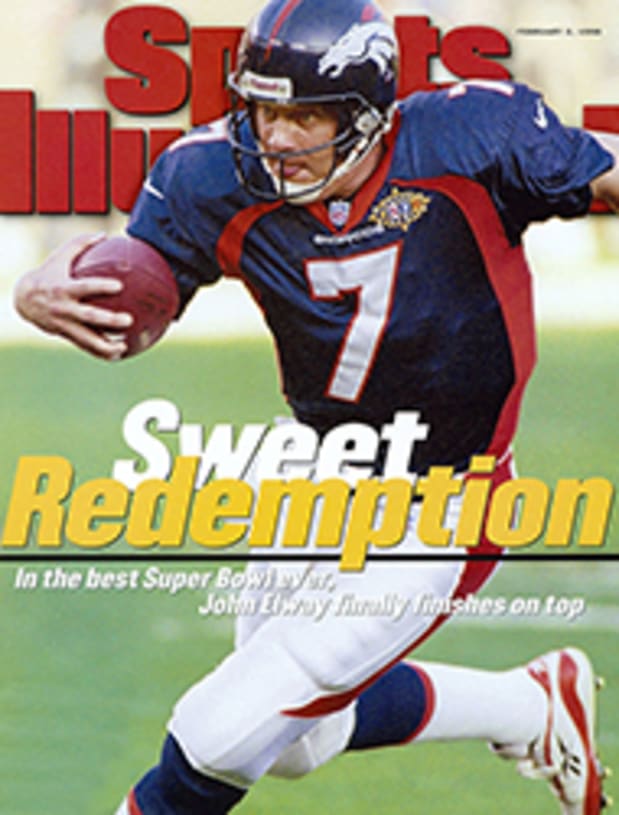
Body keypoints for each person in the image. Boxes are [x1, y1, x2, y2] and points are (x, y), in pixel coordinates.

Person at [14, 0, 618, 812]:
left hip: (446, 501)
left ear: (367, 111)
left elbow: (603, 169)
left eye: (305, 113)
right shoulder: (210, 175)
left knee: (215, 732)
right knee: (295, 742)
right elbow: (137, 275)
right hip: (317, 477)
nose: (278, 136)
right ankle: (532, 705)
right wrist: (40, 283)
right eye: (264, 108)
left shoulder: (470, 136)